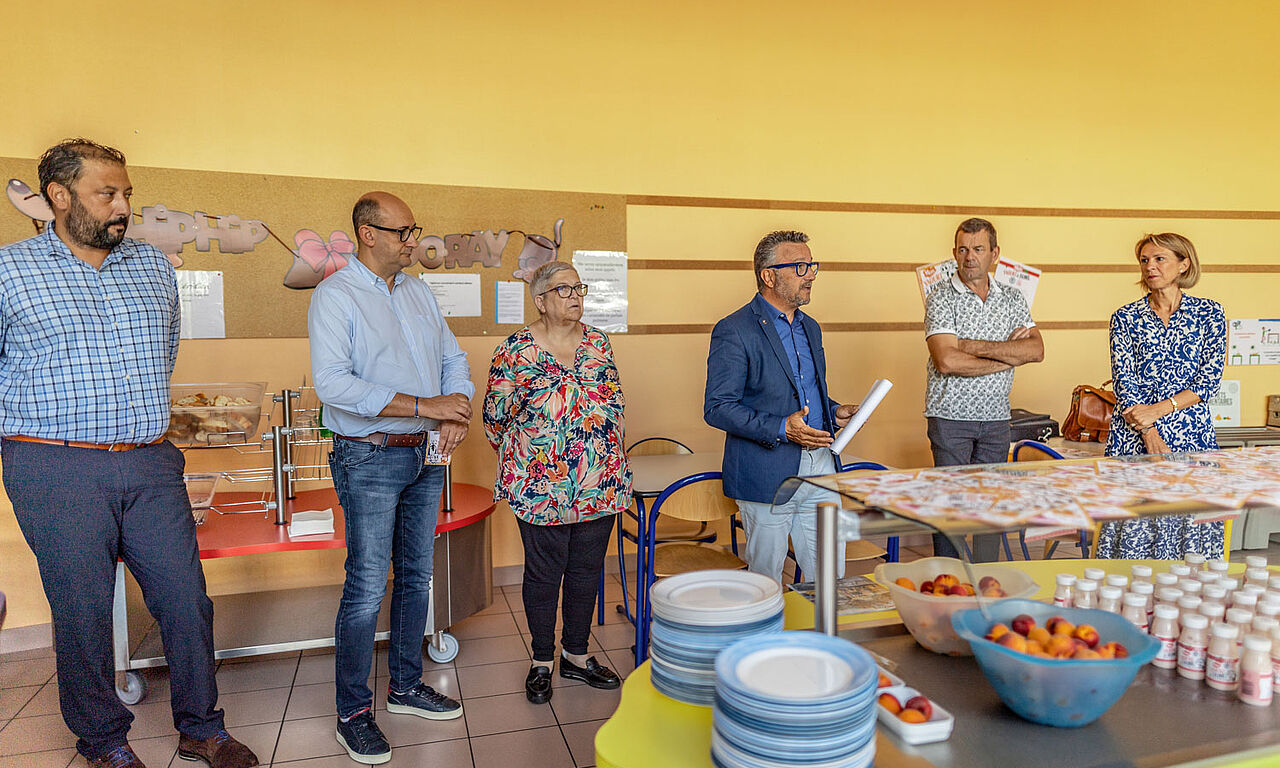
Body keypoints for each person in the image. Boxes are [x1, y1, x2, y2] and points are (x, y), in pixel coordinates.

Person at [0, 139, 258, 768]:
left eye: (127, 194)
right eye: (105, 194)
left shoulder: (152, 267)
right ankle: (104, 742)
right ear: (59, 197)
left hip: (148, 459)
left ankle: (202, 727)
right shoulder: (9, 272)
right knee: (82, 608)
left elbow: (161, 354)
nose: (122, 207)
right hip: (53, 463)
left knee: (184, 599)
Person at [309, 191, 472, 764]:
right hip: (369, 457)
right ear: (366, 233)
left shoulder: (418, 290)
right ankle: (352, 713)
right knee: (365, 586)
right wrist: (427, 405)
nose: (413, 242)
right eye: (403, 232)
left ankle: (403, 687)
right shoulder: (335, 296)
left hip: (426, 453)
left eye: (414, 230)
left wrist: (456, 410)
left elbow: (453, 358)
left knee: (416, 576)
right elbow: (334, 386)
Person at [483, 261, 631, 704]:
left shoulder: (599, 344)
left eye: (578, 288)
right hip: (540, 486)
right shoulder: (516, 350)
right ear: (540, 300)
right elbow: (494, 420)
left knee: (586, 572)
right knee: (545, 574)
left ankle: (577, 655)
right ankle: (542, 660)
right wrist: (534, 462)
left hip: (599, 482)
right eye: (563, 289)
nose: (574, 296)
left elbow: (615, 404)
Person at [704, 230, 859, 583]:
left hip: (821, 464)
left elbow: (802, 393)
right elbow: (717, 407)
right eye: (801, 267)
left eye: (813, 266)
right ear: (769, 276)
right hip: (766, 471)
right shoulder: (734, 330)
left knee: (830, 576)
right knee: (765, 580)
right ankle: (768, 640)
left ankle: (819, 638)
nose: (812, 275)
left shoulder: (811, 328)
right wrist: (780, 427)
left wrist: (833, 411)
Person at [1096, 233, 1226, 559]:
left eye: (1159, 259)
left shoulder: (1210, 314)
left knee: (1188, 525)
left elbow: (1209, 380)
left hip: (1191, 437)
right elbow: (1124, 384)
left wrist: (1160, 409)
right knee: (1135, 526)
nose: (1149, 266)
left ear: (1184, 264)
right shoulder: (1125, 318)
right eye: (1144, 260)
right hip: (1135, 438)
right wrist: (1149, 430)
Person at [924, 218, 1043, 562]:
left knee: (990, 508)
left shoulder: (1012, 297)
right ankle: (946, 581)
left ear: (995, 254)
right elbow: (947, 361)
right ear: (954, 254)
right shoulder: (941, 297)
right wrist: (1007, 355)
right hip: (950, 419)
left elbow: (1035, 351)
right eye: (962, 249)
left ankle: (987, 581)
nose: (969, 257)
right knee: (950, 508)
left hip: (995, 419)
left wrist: (971, 345)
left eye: (978, 249)